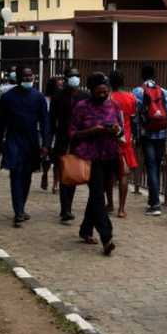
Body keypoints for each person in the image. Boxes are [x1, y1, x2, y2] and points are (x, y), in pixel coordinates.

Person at [69, 72, 122, 255]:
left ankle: (85, 230)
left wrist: (116, 130)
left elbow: (121, 130)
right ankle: (107, 237)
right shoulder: (81, 107)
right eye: (99, 92)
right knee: (98, 195)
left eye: (105, 91)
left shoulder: (114, 105)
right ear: (91, 90)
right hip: (90, 158)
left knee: (96, 195)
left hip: (110, 155)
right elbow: (72, 133)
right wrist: (92, 131)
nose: (103, 95)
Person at [0, 67, 52, 227]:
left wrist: (46, 144)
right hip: (13, 138)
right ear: (19, 77)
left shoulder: (39, 97)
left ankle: (21, 206)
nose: (28, 78)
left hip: (31, 140)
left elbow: (45, 122)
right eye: (25, 75)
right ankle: (18, 211)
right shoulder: (7, 97)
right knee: (15, 174)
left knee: (27, 175)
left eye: (30, 75)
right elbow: (1, 122)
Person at [133, 65, 167, 216]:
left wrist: (135, 135)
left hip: (147, 135)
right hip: (162, 134)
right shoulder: (163, 91)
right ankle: (152, 200)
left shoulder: (138, 91)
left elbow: (135, 116)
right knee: (156, 165)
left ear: (142, 75)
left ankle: (155, 204)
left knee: (151, 168)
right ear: (154, 76)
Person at [52, 68, 89, 220]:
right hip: (62, 139)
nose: (74, 78)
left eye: (77, 75)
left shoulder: (85, 96)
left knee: (73, 173)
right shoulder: (58, 96)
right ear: (66, 78)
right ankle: (64, 209)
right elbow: (52, 119)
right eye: (72, 76)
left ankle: (68, 206)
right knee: (64, 172)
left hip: (79, 139)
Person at [109, 70, 139, 218]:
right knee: (124, 174)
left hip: (110, 138)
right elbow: (133, 119)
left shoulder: (107, 97)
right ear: (123, 82)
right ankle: (121, 209)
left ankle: (109, 203)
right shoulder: (131, 97)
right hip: (125, 139)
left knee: (109, 172)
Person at [40, 76, 64, 191]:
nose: (60, 88)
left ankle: (56, 182)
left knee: (57, 158)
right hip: (46, 131)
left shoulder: (62, 99)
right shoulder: (44, 100)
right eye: (58, 86)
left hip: (58, 131)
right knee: (46, 157)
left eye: (61, 85)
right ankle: (45, 174)